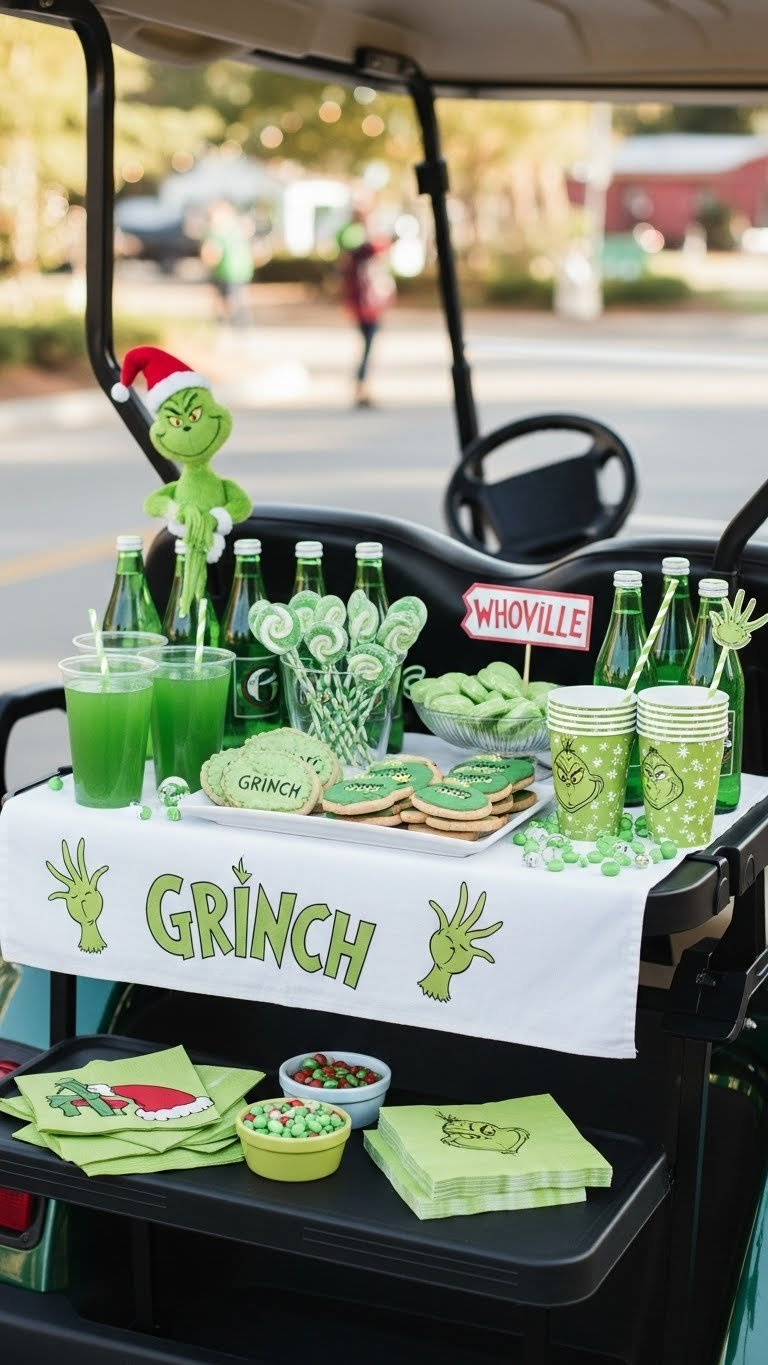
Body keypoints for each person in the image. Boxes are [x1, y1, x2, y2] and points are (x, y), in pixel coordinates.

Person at [338, 209, 395, 407]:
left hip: (366, 304)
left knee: (368, 346)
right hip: (364, 305)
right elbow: (373, 248)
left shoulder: (358, 243)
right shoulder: (357, 242)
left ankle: (362, 385)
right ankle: (361, 384)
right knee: (367, 346)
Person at [200, 199, 256, 328]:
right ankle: (239, 324)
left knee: (227, 301)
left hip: (227, 271)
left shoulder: (216, 231)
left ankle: (229, 325)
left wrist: (208, 262)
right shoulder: (237, 227)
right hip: (241, 271)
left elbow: (210, 253)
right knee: (236, 299)